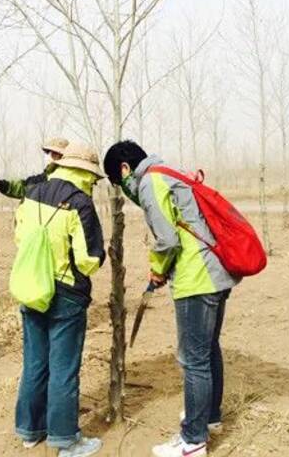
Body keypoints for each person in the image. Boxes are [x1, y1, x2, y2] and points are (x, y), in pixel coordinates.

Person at [103, 141, 240, 457]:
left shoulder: (151, 181)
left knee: (193, 359)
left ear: (124, 169)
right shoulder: (169, 172)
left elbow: (167, 239)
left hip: (197, 279)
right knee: (207, 350)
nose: (122, 187)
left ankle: (193, 441)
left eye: (117, 180)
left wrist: (156, 270)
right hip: (216, 273)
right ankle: (209, 418)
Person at [13, 142, 106, 457]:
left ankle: (29, 430)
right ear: (84, 172)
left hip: (31, 287)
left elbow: (19, 238)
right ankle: (65, 440)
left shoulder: (31, 193)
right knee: (64, 368)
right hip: (65, 294)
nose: (94, 183)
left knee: (35, 363)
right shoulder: (79, 203)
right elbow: (88, 259)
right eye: (93, 178)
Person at [0, 137, 69, 198]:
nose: (49, 156)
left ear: (63, 156)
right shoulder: (45, 178)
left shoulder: (71, 181)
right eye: (48, 153)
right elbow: (24, 188)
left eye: (54, 153)